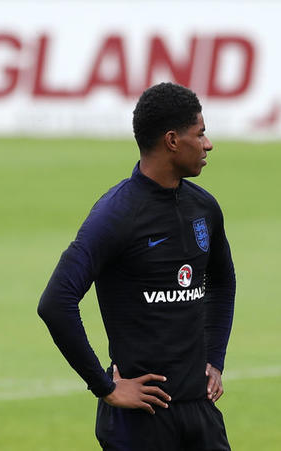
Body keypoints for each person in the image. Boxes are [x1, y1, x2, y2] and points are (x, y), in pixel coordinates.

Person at [38, 82, 236, 450]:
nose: (208, 144)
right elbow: (56, 302)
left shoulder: (204, 208)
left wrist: (215, 359)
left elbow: (223, 281)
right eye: (201, 133)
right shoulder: (116, 215)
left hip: (200, 412)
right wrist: (105, 386)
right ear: (172, 141)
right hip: (140, 422)